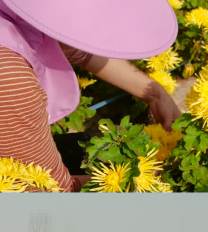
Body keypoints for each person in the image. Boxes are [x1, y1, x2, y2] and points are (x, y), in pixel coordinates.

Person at [0, 0, 181, 192]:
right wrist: (140, 183)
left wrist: (155, 94)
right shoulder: (10, 81)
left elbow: (72, 46)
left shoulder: (21, 10)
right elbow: (52, 189)